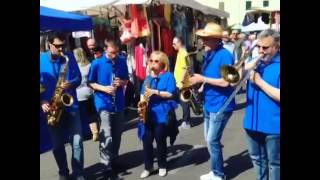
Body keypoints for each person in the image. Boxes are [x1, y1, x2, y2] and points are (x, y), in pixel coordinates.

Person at [189, 22, 236, 180]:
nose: (203, 41)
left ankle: (219, 174)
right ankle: (215, 170)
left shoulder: (225, 55)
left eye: (206, 38)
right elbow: (213, 77)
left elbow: (226, 82)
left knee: (212, 140)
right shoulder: (210, 54)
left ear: (216, 39)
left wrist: (202, 78)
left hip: (221, 105)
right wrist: (202, 85)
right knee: (210, 141)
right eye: (202, 38)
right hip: (210, 103)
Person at [40, 32, 85, 180]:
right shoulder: (40, 60)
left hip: (71, 106)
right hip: (52, 108)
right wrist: (42, 101)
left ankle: (78, 173)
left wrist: (70, 83)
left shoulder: (69, 56)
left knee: (77, 142)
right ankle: (63, 172)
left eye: (63, 46)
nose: (61, 49)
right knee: (58, 145)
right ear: (49, 44)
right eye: (58, 46)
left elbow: (78, 78)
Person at [243, 29, 280, 180]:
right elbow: (234, 79)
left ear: (277, 47)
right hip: (252, 123)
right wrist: (243, 61)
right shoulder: (257, 63)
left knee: (275, 164)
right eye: (258, 47)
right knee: (257, 161)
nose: (260, 51)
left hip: (273, 125)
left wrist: (259, 81)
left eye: (265, 48)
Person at [88, 38, 129, 172]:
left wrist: (121, 83)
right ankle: (105, 164)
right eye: (112, 53)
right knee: (107, 134)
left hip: (118, 101)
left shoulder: (121, 61)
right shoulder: (96, 63)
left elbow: (126, 79)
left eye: (116, 52)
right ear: (105, 49)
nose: (114, 55)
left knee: (117, 134)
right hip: (103, 102)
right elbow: (91, 83)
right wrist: (104, 88)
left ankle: (115, 159)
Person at [138, 51, 177, 178]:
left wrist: (155, 92)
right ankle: (148, 167)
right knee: (147, 141)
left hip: (161, 113)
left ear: (163, 63)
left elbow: (171, 93)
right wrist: (141, 103)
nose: (152, 64)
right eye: (151, 61)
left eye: (156, 61)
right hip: (148, 113)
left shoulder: (168, 76)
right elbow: (143, 94)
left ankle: (162, 165)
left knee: (160, 141)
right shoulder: (148, 78)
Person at [73, 47, 99, 142]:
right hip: (89, 91)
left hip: (78, 93)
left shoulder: (75, 67)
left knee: (79, 115)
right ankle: (95, 132)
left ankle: (82, 133)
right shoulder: (90, 65)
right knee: (91, 113)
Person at [172, 36, 192, 129]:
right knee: (182, 102)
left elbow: (186, 69)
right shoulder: (180, 52)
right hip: (180, 83)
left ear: (180, 43)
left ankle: (186, 122)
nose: (173, 45)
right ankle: (185, 120)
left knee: (185, 103)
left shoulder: (184, 53)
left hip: (183, 84)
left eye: (174, 43)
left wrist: (181, 82)